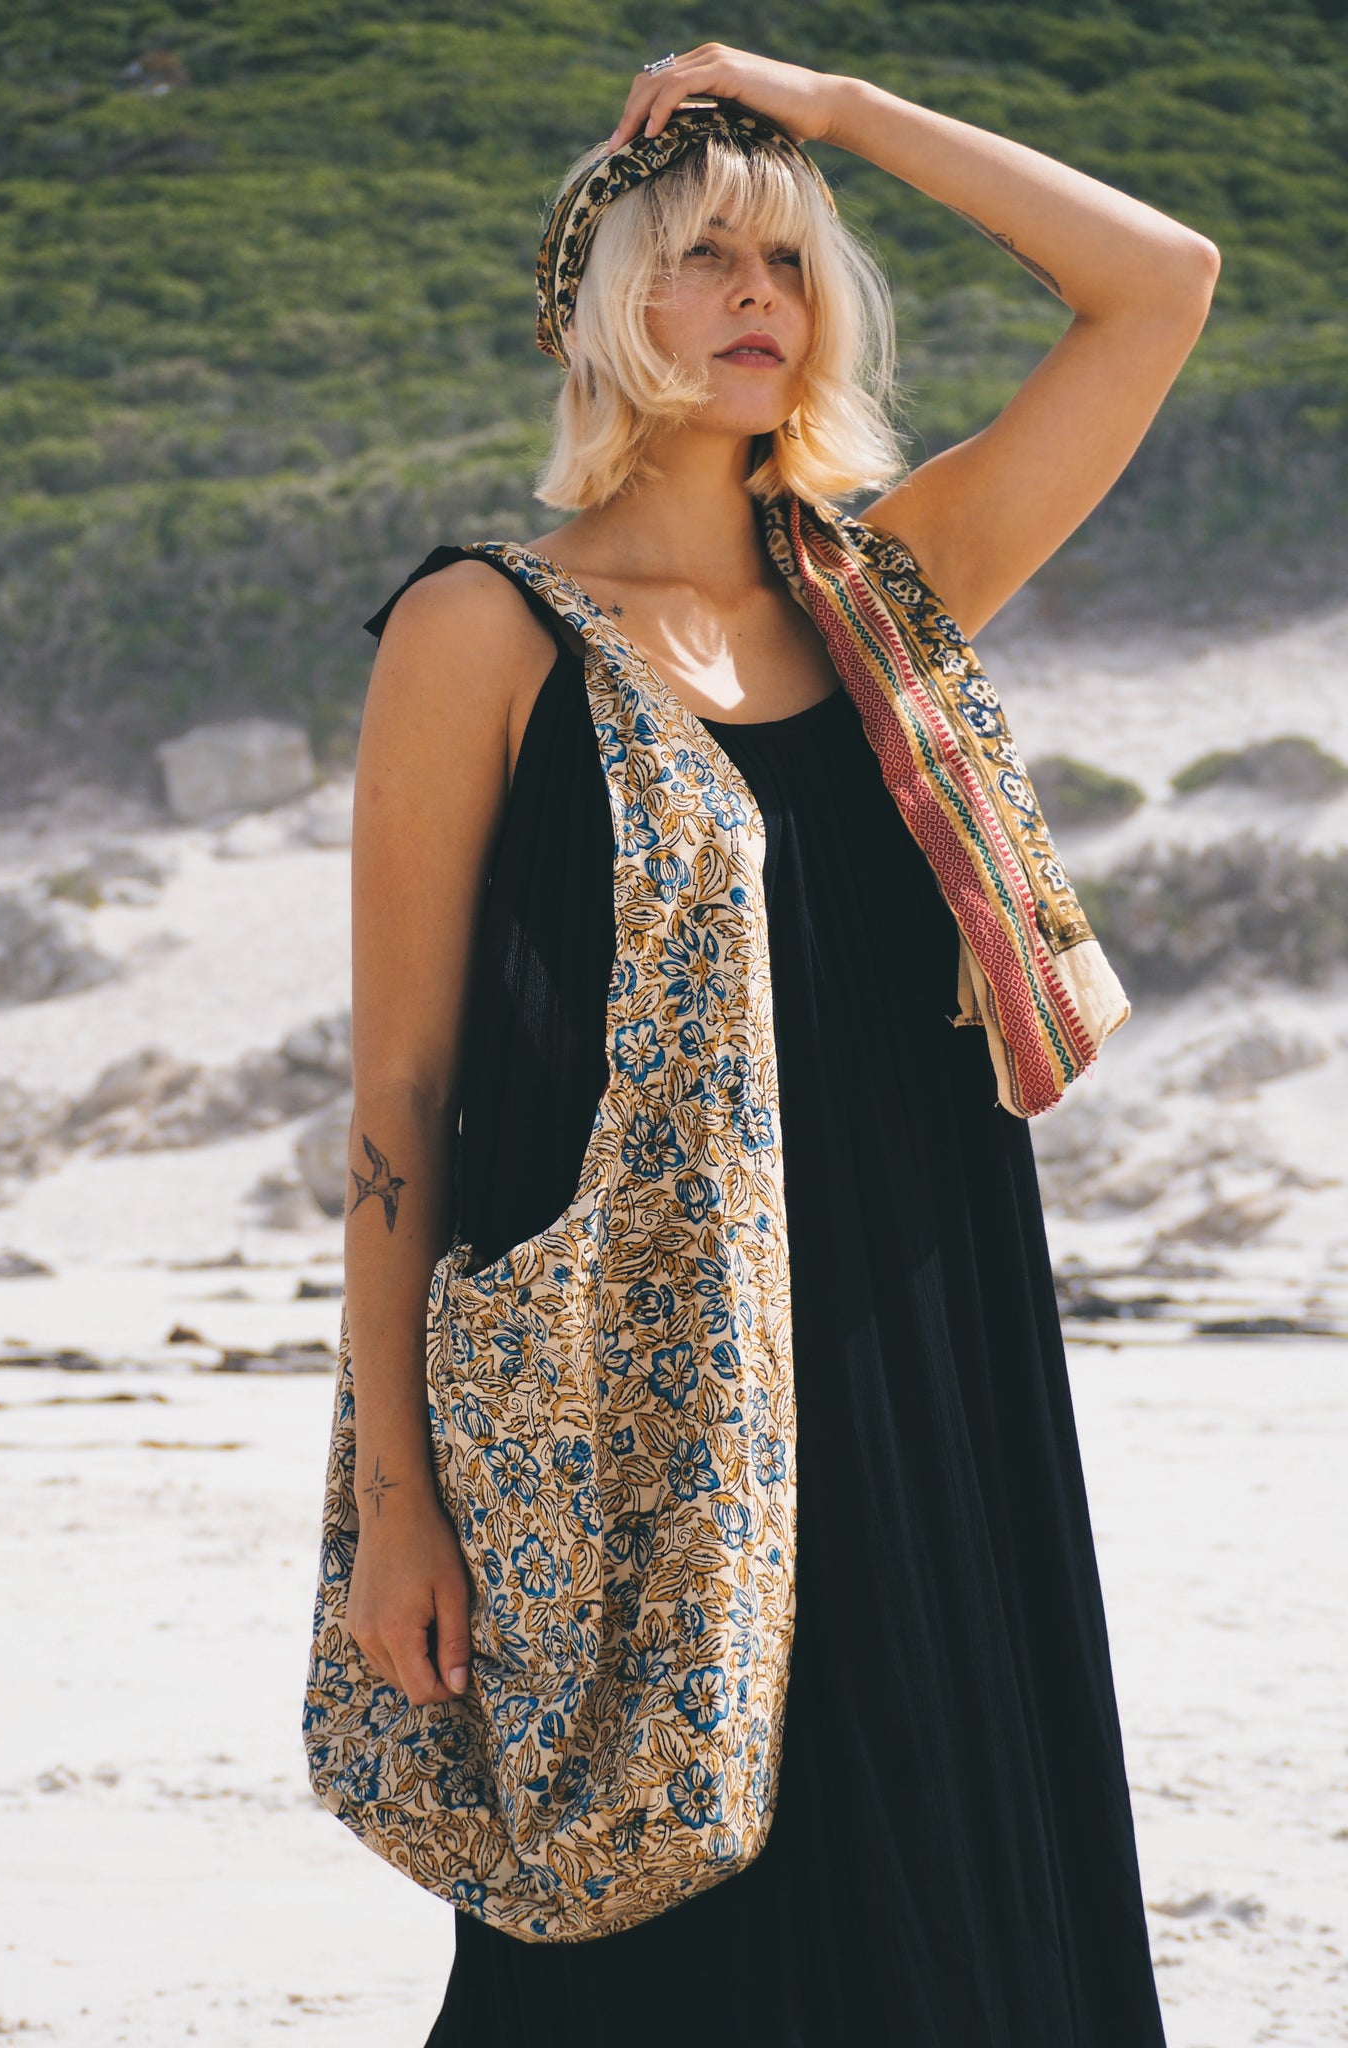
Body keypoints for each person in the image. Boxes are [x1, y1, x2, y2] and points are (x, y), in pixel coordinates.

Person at [333, 42, 1216, 2047]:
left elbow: (1160, 283)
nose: (759, 295)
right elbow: (401, 1093)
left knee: (952, 1921)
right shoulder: (482, 629)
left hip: (922, 1340)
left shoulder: (888, 593)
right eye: (704, 256)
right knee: (639, 1941)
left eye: (792, 260)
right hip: (627, 1401)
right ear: (600, 305)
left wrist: (838, 109)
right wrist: (396, 1496)